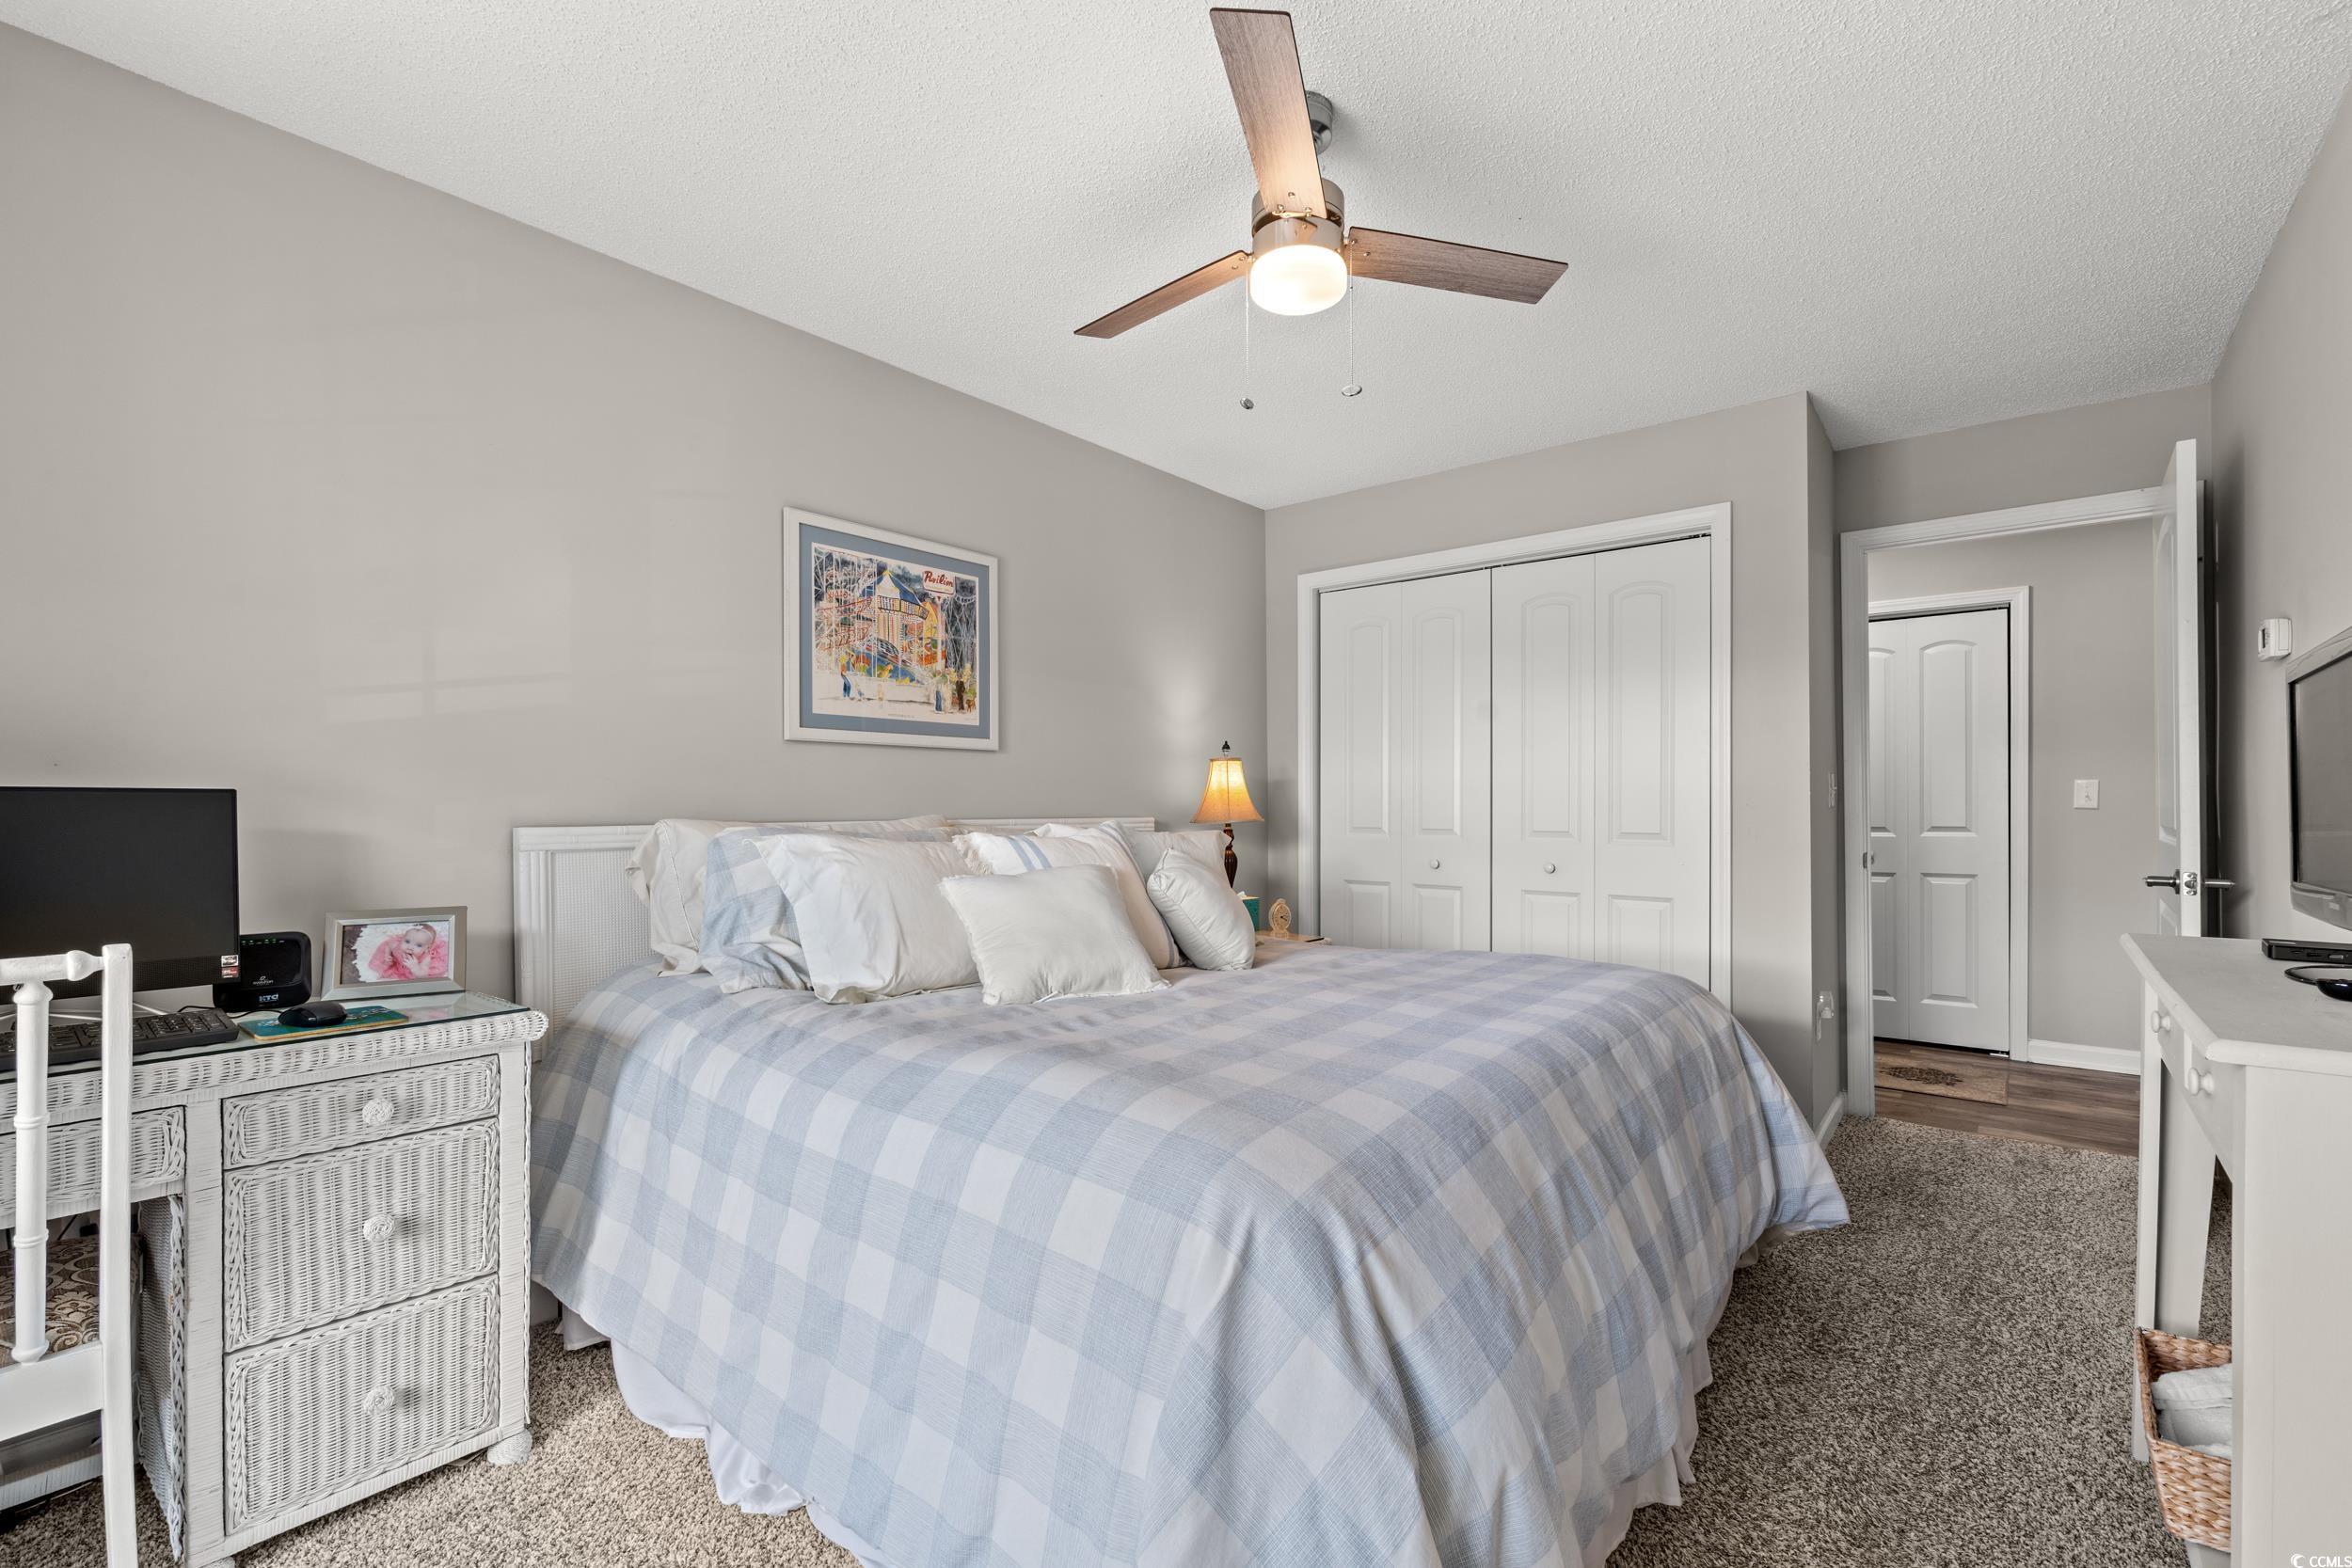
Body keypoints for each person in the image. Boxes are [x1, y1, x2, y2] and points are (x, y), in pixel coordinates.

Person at [367, 922, 450, 982]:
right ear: (403, 938)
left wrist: (415, 967)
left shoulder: (425, 957)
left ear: (426, 948)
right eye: (407, 941)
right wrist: (387, 955)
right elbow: (388, 945)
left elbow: (423, 976)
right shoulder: (397, 946)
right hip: (399, 967)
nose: (410, 947)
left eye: (419, 945)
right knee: (384, 976)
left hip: (413, 973)